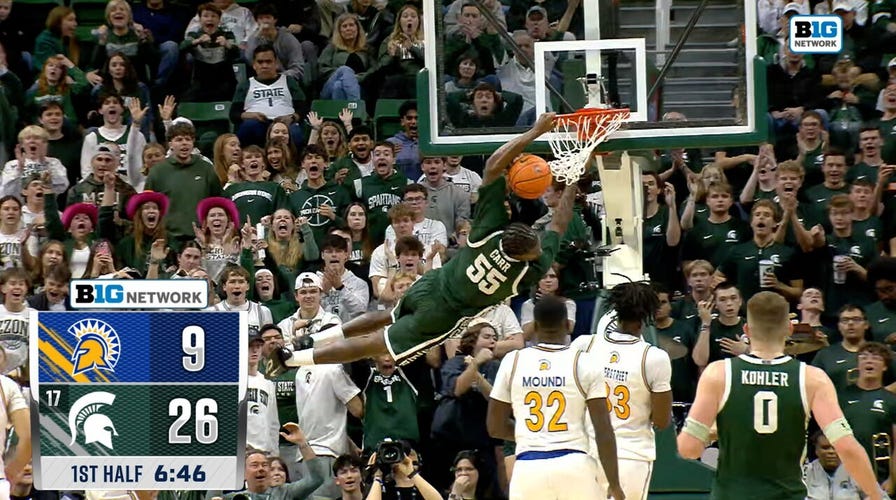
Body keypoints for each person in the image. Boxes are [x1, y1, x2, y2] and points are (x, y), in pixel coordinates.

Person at [280, 113, 574, 367]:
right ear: (525, 255)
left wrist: (535, 132)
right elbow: (559, 224)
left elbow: (494, 165)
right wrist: (573, 177)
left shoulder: (488, 232)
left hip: (429, 285)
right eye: (535, 248)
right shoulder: (530, 269)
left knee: (386, 317)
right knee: (377, 344)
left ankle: (315, 338)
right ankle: (293, 359)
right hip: (443, 314)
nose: (538, 251)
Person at [677, 291, 885, 500]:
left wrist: (713, 433)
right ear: (790, 329)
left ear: (747, 330)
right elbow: (847, 447)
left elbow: (688, 449)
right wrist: (875, 495)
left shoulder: (719, 373)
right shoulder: (812, 378)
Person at [487, 295, 624, 500]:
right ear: (567, 324)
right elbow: (603, 429)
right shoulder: (584, 362)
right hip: (574, 464)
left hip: (528, 467)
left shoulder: (513, 361)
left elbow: (495, 426)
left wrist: (531, 435)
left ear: (535, 325)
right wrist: (614, 483)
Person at [571, 282, 673, 500]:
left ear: (615, 311)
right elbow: (662, 421)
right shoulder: (654, 358)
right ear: (647, 317)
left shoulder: (584, 345)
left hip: (586, 450)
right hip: (631, 456)